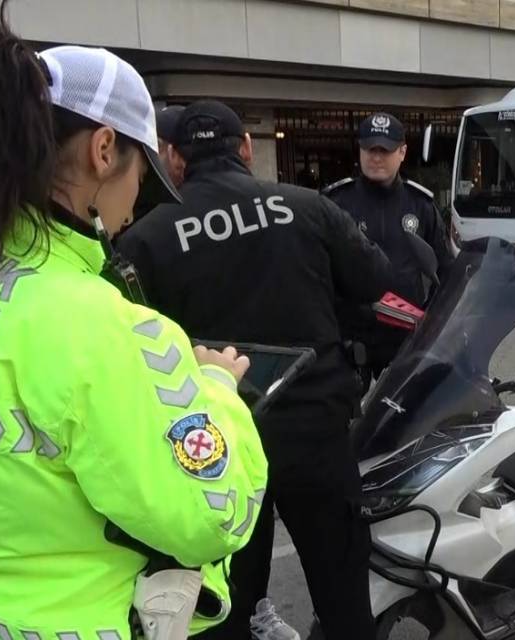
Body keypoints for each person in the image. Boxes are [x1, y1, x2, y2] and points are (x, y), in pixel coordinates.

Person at [0, 9, 268, 640]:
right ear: (103, 150)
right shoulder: (108, 328)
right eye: (141, 173)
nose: (136, 200)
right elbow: (211, 516)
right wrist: (217, 391)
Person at [117, 100, 393, 640]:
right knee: (344, 598)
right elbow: (376, 278)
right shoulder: (308, 206)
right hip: (317, 433)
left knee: (229, 605)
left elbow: (133, 347)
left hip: (215, 447)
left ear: (176, 159)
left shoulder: (146, 238)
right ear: (246, 148)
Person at [325, 111, 454, 382]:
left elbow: (445, 271)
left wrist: (432, 321)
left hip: (405, 336)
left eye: (384, 150)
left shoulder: (420, 205)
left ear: (402, 152)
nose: (376, 157)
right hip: (351, 338)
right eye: (370, 149)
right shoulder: (337, 202)